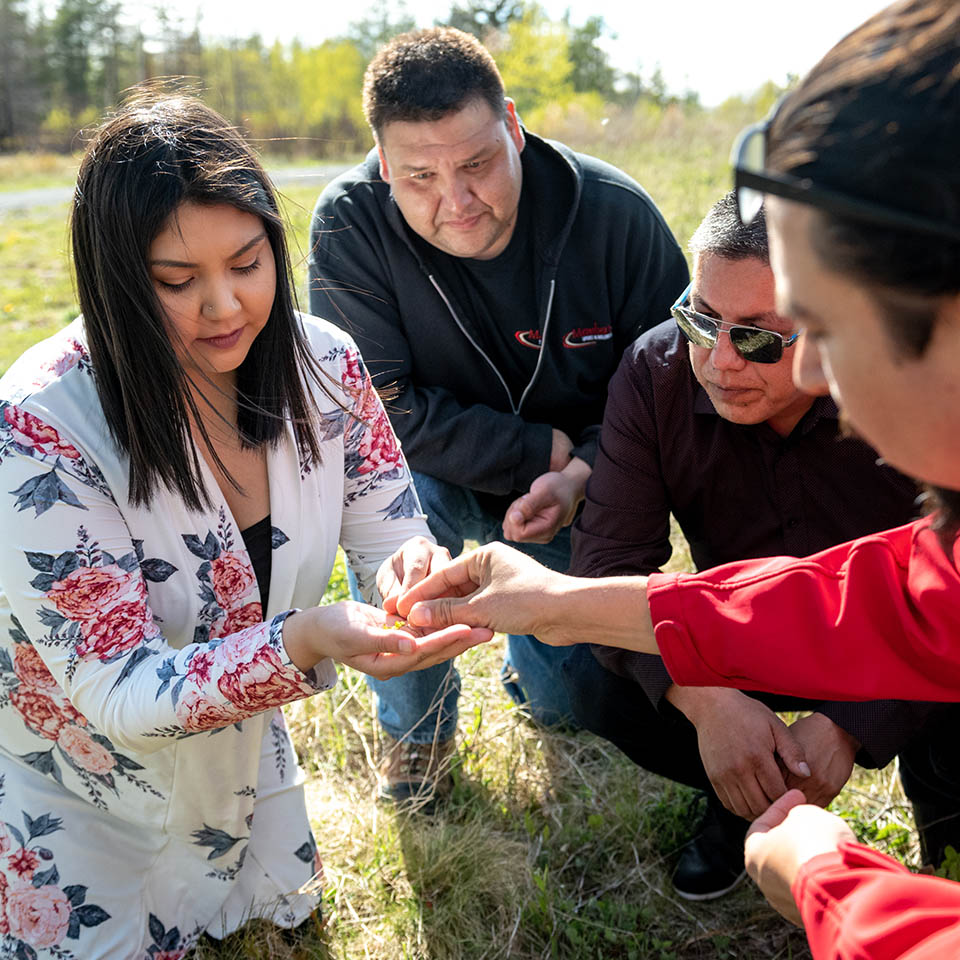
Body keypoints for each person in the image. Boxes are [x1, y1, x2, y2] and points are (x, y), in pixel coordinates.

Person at [393, 1, 960, 954]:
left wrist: (825, 874)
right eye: (700, 321)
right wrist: (557, 605)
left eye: (818, 329)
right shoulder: (656, 374)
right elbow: (886, 601)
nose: (818, 374)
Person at [0, 90, 490, 959]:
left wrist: (409, 577)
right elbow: (116, 689)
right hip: (84, 790)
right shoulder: (40, 429)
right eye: (176, 282)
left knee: (267, 919)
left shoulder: (325, 364)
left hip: (241, 771)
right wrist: (303, 640)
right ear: (114, 282)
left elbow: (389, 528)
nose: (225, 307)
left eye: (247, 262)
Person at [307, 26, 688, 806]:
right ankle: (417, 737)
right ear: (385, 164)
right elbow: (374, 404)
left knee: (568, 707)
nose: (456, 202)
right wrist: (535, 451)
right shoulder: (350, 224)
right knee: (399, 531)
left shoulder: (614, 217)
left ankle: (531, 669)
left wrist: (583, 469)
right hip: (434, 470)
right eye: (420, 176)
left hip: (580, 483)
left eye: (477, 164)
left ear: (512, 125)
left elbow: (668, 389)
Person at [564, 190, 952, 901]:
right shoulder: (654, 373)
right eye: (699, 318)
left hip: (903, 631)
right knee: (593, 674)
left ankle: (943, 815)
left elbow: (953, 584)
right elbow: (607, 564)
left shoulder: (913, 382)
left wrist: (850, 726)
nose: (719, 361)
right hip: (747, 635)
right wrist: (709, 704)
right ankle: (742, 797)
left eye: (757, 339)